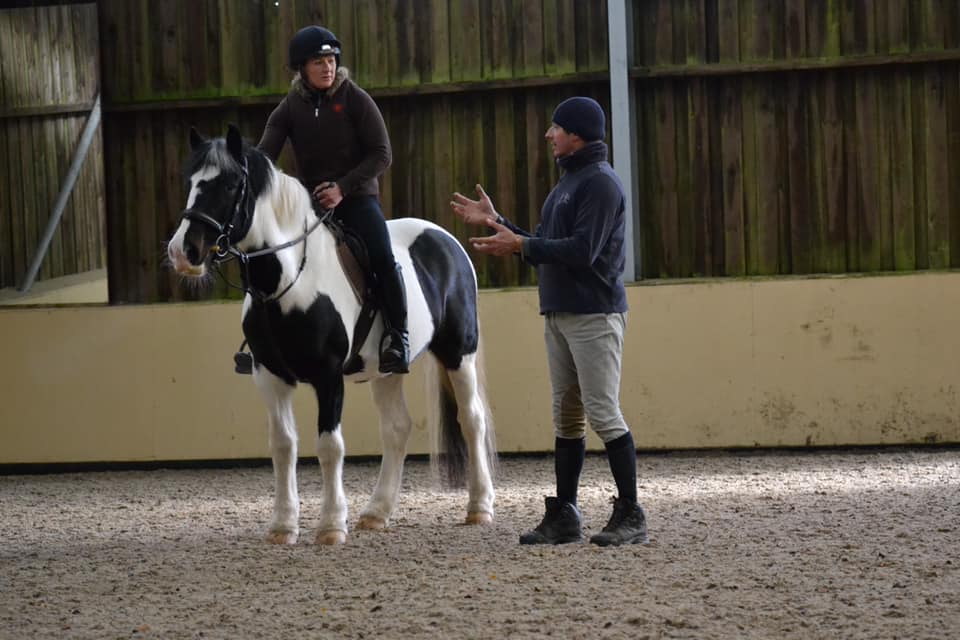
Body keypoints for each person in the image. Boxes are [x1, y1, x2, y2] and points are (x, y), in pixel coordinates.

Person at [451, 96, 648, 546]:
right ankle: (566, 515)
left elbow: (582, 251)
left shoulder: (599, 184)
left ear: (576, 134)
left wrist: (519, 245)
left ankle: (632, 513)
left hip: (594, 314)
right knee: (567, 416)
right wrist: (500, 222)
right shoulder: (568, 184)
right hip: (560, 312)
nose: (548, 135)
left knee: (602, 411)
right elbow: (546, 247)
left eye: (556, 128)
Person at [257, 25, 409, 374]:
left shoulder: (355, 98)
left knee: (383, 257)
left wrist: (343, 187)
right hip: (311, 206)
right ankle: (263, 339)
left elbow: (382, 154)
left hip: (357, 200)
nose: (327, 67)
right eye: (317, 61)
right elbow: (264, 155)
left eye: (331, 59)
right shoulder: (290, 107)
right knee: (269, 254)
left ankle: (398, 337)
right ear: (301, 69)